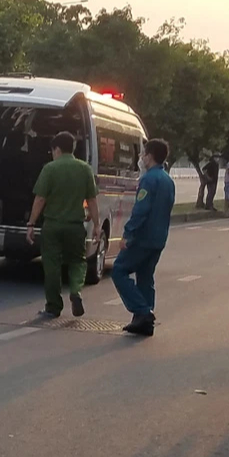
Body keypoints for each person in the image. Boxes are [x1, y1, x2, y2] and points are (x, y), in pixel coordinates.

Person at [27, 131, 100, 318]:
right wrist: (97, 225)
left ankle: (53, 306)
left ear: (57, 149)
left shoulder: (49, 169)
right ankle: (75, 291)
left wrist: (31, 223)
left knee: (52, 265)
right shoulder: (84, 169)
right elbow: (92, 200)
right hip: (75, 226)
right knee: (77, 261)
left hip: (52, 226)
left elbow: (40, 199)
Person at [110, 139, 177, 336]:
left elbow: (141, 210)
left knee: (119, 271)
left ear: (149, 155)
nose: (141, 158)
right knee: (145, 278)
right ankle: (144, 323)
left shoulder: (149, 180)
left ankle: (143, 311)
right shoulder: (167, 180)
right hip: (159, 237)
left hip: (142, 237)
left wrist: (128, 234)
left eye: (143, 154)